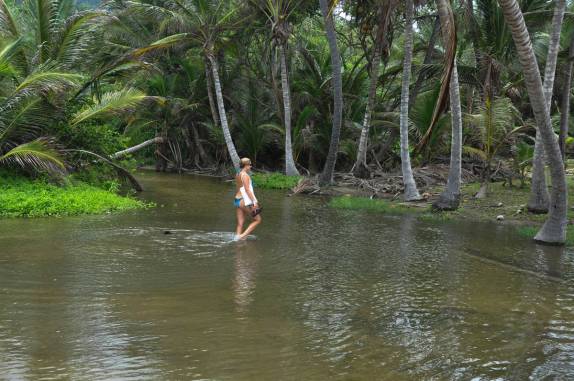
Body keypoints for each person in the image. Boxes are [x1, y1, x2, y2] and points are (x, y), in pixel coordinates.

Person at [234, 158, 262, 240]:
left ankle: (237, 238)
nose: (251, 166)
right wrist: (254, 201)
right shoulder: (245, 175)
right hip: (244, 200)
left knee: (240, 223)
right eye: (250, 165)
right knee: (258, 220)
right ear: (246, 165)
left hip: (237, 200)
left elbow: (239, 187)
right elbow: (247, 190)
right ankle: (241, 237)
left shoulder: (238, 174)